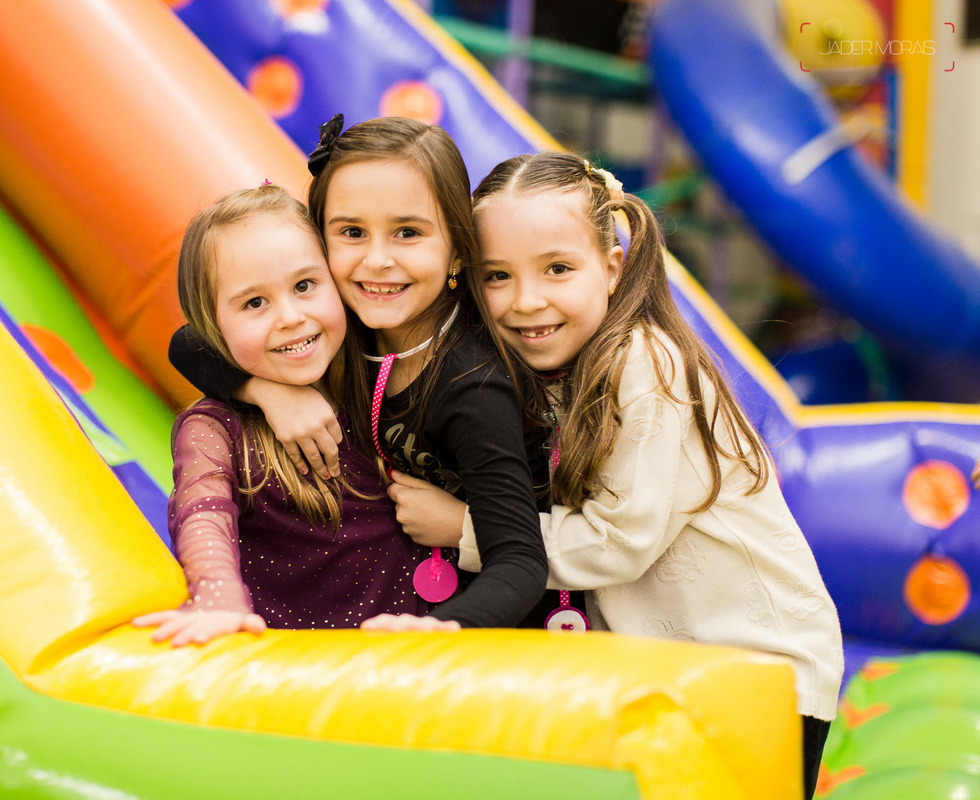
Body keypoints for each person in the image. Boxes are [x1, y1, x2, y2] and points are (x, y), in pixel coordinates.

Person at [389, 152, 843, 799]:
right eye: (498, 276)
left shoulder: (646, 366)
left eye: (557, 269)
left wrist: (463, 528)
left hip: (760, 671)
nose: (526, 301)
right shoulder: (540, 372)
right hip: (673, 674)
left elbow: (620, 542)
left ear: (612, 267)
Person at [168, 116, 549, 632]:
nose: (376, 260)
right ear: (322, 246)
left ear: (459, 247)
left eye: (408, 233)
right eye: (351, 233)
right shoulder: (350, 326)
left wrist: (448, 629)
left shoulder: (471, 387)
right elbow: (189, 342)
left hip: (491, 625)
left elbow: (521, 558)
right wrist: (270, 393)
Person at [132, 184, 427, 646]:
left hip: (424, 649)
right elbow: (203, 509)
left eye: (305, 286)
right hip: (296, 672)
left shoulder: (374, 370)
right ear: (213, 326)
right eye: (255, 302)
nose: (290, 316)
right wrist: (217, 593)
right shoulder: (214, 429)